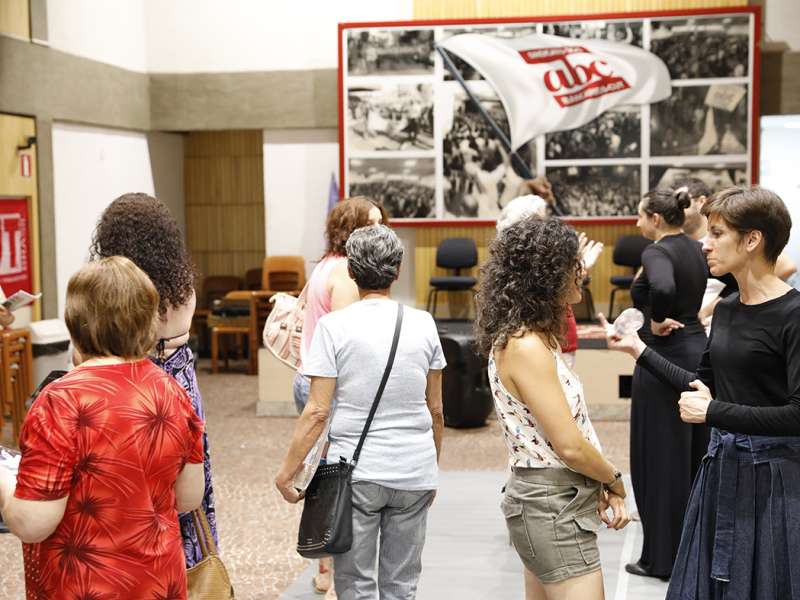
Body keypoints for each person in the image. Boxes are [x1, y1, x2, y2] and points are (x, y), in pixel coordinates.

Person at [602, 186, 800, 599]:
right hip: (721, 470)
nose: (705, 245)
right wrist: (639, 350)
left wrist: (714, 413)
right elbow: (698, 382)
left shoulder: (793, 315)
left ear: (752, 240)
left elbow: (796, 415)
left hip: (772, 484)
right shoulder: (727, 309)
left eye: (717, 234)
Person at [0, 256, 205, 598]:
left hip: (84, 586)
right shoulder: (172, 390)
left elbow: (33, 523)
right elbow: (188, 497)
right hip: (158, 581)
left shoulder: (60, 402)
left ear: (77, 323)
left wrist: (5, 482)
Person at [276, 225, 444, 600]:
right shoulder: (424, 324)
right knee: (402, 586)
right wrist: (432, 465)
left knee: (355, 586)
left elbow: (317, 411)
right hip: (414, 470)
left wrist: (288, 471)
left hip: (357, 473)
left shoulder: (334, 328)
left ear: (351, 271)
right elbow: (436, 409)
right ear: (398, 270)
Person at [476, 216, 629, 600]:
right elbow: (570, 446)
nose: (581, 272)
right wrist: (612, 478)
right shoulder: (526, 344)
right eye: (571, 265)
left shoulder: (533, 336)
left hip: (551, 500)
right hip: (551, 505)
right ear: (546, 276)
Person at [89, 192, 217, 568]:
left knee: (133, 476)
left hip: (131, 385)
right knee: (188, 477)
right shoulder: (182, 286)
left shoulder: (122, 294)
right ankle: (190, 563)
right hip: (181, 383)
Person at [292, 196, 386, 599]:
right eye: (373, 224)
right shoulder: (346, 276)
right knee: (336, 480)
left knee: (326, 477)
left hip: (308, 378)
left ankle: (325, 566)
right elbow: (350, 342)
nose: (382, 231)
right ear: (354, 229)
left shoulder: (323, 267)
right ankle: (330, 567)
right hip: (327, 385)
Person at [620, 188, 710, 580]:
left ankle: (660, 558)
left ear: (656, 219)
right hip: (695, 350)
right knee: (690, 458)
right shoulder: (694, 246)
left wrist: (656, 319)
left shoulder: (656, 252)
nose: (636, 223)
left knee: (658, 460)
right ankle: (689, 553)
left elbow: (665, 288)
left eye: (640, 216)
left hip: (662, 357)